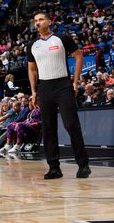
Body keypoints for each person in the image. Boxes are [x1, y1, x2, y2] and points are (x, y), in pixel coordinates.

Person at [28, 12, 90, 179]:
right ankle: (54, 167)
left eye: (41, 19)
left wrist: (75, 82)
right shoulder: (32, 45)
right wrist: (34, 91)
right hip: (44, 87)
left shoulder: (62, 38)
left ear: (49, 21)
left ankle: (83, 164)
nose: (38, 23)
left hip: (63, 85)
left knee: (71, 125)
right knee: (48, 129)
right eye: (35, 21)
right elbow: (32, 69)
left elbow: (78, 56)